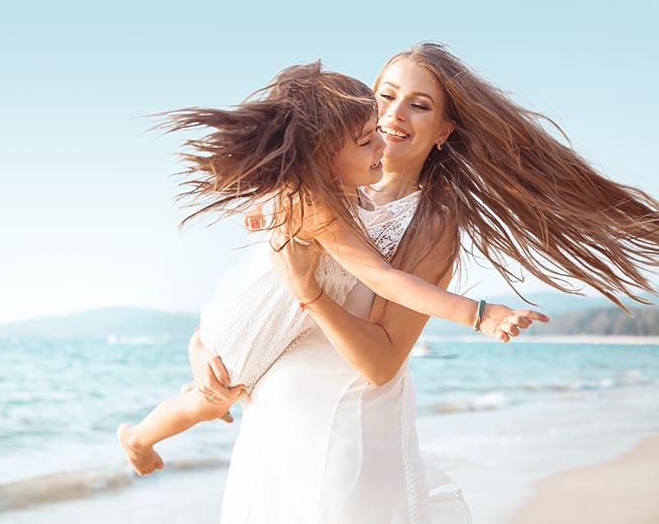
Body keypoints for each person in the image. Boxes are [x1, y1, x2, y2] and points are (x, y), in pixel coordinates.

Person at [189, 43, 659, 523]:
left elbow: (380, 364)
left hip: (342, 442)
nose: (394, 115)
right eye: (385, 97)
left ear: (444, 131)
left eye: (419, 105)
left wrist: (309, 294)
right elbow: (252, 294)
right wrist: (203, 349)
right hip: (271, 433)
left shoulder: (432, 221)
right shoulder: (314, 190)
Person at [116, 62, 547, 476]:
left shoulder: (366, 201)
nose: (382, 137)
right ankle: (137, 438)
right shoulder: (321, 204)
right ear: (328, 155)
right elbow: (385, 278)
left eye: (418, 105)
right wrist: (478, 313)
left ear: (443, 130)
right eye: (369, 136)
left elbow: (382, 336)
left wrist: (265, 207)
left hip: (308, 389)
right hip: (252, 331)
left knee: (208, 400)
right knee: (208, 400)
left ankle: (141, 436)